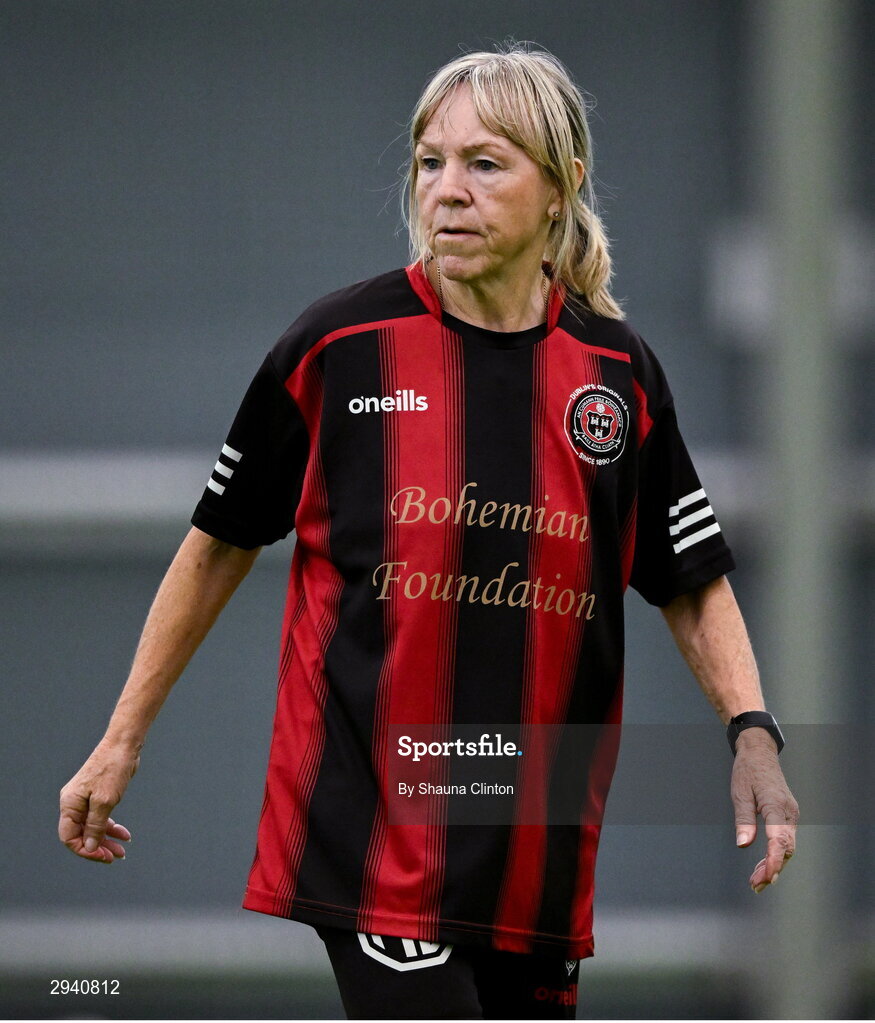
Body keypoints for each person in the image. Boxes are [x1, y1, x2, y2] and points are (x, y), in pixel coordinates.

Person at [59, 44, 798, 1020]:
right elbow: (216, 545)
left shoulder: (618, 377)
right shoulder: (336, 349)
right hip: (373, 832)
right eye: (428, 161)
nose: (446, 191)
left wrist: (752, 735)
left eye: (484, 164)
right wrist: (121, 740)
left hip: (534, 841)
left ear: (560, 187)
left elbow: (688, 579)